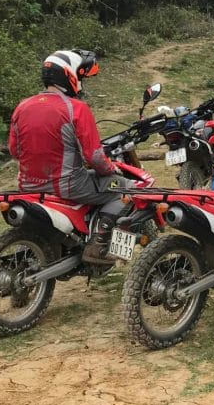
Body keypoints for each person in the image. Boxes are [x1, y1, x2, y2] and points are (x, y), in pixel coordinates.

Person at [8, 49, 128, 265]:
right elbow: (95, 157)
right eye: (80, 77)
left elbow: (14, 151)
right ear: (69, 75)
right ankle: (98, 245)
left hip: (27, 186)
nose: (81, 83)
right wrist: (111, 170)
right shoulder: (76, 109)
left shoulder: (22, 106)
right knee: (123, 188)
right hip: (68, 186)